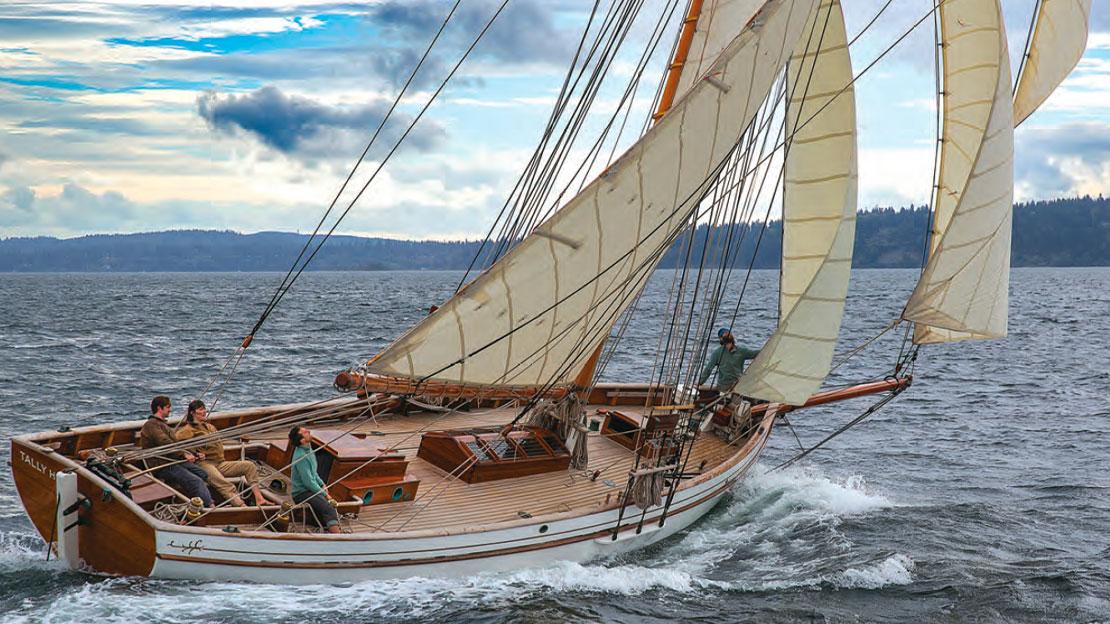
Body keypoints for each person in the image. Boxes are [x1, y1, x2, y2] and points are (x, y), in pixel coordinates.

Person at [176, 400, 268, 507]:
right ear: (192, 413)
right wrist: (188, 454)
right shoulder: (187, 430)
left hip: (220, 463)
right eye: (200, 409)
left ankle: (259, 499)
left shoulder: (210, 427)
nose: (204, 411)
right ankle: (241, 506)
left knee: (249, 466)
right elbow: (174, 445)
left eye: (204, 408)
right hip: (205, 464)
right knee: (223, 483)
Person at [140, 395, 212, 507]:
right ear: (159, 408)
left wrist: (194, 453)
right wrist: (183, 454)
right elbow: (165, 442)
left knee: (202, 474)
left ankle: (192, 502)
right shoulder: (151, 425)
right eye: (168, 407)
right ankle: (209, 506)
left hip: (173, 460)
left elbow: (177, 444)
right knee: (195, 481)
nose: (170, 409)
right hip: (162, 465)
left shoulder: (163, 425)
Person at [288, 426, 341, 533]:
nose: (308, 431)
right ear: (302, 440)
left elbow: (314, 473)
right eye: (305, 432)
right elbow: (308, 482)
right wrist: (325, 495)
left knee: (326, 512)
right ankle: (339, 538)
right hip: (301, 493)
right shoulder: (301, 457)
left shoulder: (308, 449)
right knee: (329, 508)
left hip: (311, 490)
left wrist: (322, 484)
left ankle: (329, 530)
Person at [698, 328, 761, 392]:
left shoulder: (740, 351)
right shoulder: (719, 353)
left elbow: (708, 369)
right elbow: (708, 369)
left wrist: (700, 382)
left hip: (733, 386)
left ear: (721, 339)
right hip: (730, 386)